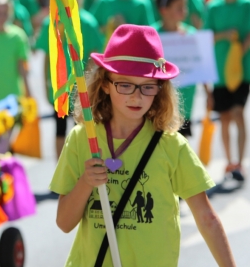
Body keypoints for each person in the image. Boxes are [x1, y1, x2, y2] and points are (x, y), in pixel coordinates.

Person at [51, 25, 236, 267]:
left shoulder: (172, 146)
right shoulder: (81, 139)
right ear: (105, 84)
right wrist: (86, 182)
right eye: (125, 84)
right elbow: (64, 223)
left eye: (147, 86)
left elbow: (206, 218)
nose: (136, 97)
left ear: (160, 89)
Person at [204, 0, 250, 182]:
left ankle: (240, 161)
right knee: (225, 117)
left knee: (238, 113)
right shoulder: (213, 6)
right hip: (220, 71)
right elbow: (206, 37)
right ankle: (229, 161)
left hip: (242, 70)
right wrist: (224, 35)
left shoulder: (247, 4)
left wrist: (238, 55)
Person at [36, 0, 103, 157]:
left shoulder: (87, 22)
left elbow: (94, 57)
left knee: (79, 128)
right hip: (59, 86)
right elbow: (47, 56)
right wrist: (46, 83)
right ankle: (60, 167)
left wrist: (86, 83)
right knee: (59, 128)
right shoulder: (51, 22)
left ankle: (78, 166)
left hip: (80, 87)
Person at [153, 0, 209, 137]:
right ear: (164, 10)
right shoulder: (152, 35)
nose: (184, 11)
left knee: (182, 140)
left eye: (184, 6)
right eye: (179, 7)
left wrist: (208, 93)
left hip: (186, 101)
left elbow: (201, 66)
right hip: (159, 101)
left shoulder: (191, 34)